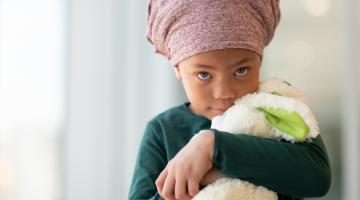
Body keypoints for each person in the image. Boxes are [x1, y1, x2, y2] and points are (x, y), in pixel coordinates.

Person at [129, 0, 331, 199]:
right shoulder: (162, 130)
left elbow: (317, 178)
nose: (224, 93)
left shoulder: (276, 105)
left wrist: (212, 146)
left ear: (259, 61)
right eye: (203, 75)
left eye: (241, 71)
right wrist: (196, 181)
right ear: (177, 68)